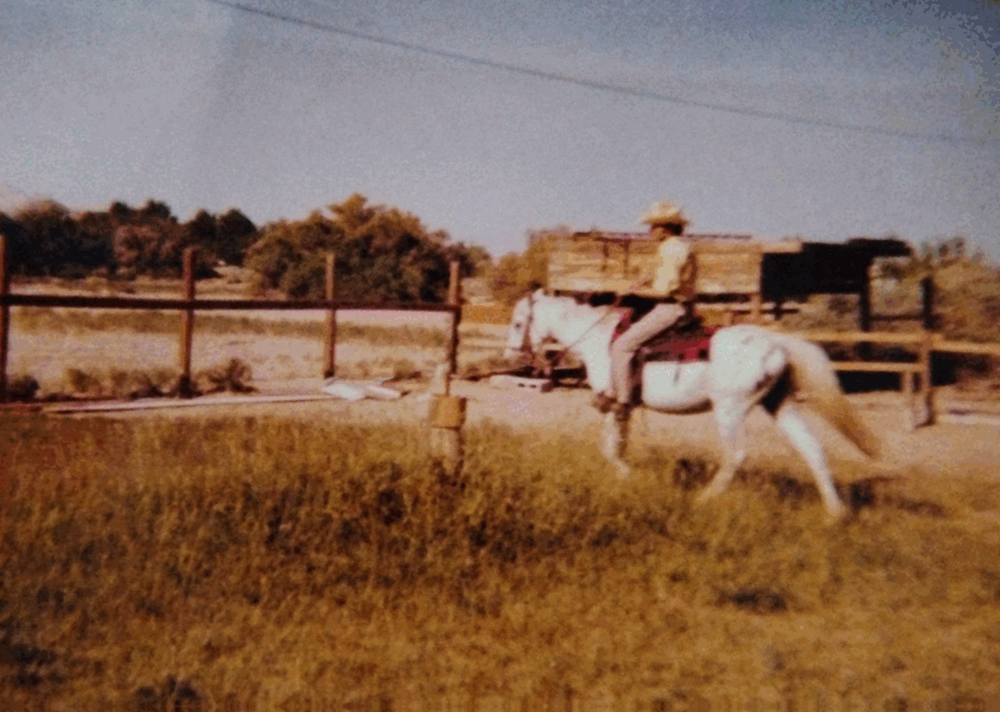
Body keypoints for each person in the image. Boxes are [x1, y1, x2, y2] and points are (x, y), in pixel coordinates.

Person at [594, 200, 697, 420]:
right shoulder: (673, 246)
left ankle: (623, 401)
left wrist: (631, 293)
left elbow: (664, 290)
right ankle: (613, 390)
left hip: (671, 308)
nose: (650, 231)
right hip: (672, 305)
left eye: (654, 226)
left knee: (622, 346)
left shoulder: (672, 249)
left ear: (665, 227)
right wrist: (639, 282)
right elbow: (657, 276)